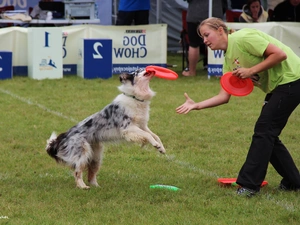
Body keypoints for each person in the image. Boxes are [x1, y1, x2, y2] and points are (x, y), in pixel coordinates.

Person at [176, 17, 300, 197]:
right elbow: (224, 96)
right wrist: (196, 105)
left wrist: (250, 71)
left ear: (220, 30)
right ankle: (293, 181)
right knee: (267, 133)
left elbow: (280, 55)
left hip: (292, 79)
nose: (204, 41)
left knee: (264, 131)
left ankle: (249, 185)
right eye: (202, 37)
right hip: (279, 86)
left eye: (206, 35)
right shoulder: (228, 59)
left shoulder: (243, 38)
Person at [182, 0, 223, 77]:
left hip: (195, 13)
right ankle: (217, 71)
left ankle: (192, 71)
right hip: (215, 13)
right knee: (217, 42)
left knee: (194, 44)